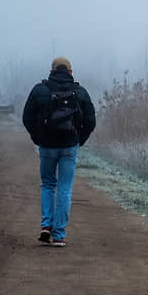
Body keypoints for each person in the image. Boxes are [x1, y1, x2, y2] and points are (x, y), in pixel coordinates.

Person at [23, 57, 96, 247]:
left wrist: (37, 138)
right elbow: (90, 121)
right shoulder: (79, 92)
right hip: (69, 146)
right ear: (70, 72)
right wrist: (79, 140)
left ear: (51, 71)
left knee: (48, 184)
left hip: (47, 146)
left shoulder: (40, 90)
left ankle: (46, 226)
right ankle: (59, 235)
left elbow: (26, 118)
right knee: (65, 188)